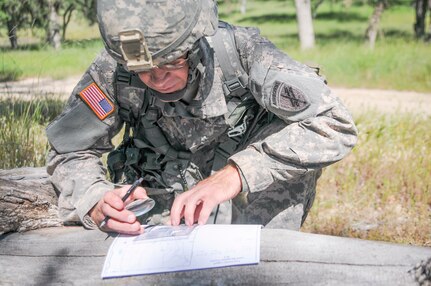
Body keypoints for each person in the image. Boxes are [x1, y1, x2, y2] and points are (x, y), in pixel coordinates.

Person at [46, 0, 358, 235]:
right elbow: (69, 149)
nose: (155, 78)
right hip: (159, 209)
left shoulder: (243, 53)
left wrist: (235, 174)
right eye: (140, 69)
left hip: (251, 206)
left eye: (169, 62)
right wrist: (96, 198)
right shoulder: (114, 68)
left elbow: (334, 123)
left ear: (195, 43)